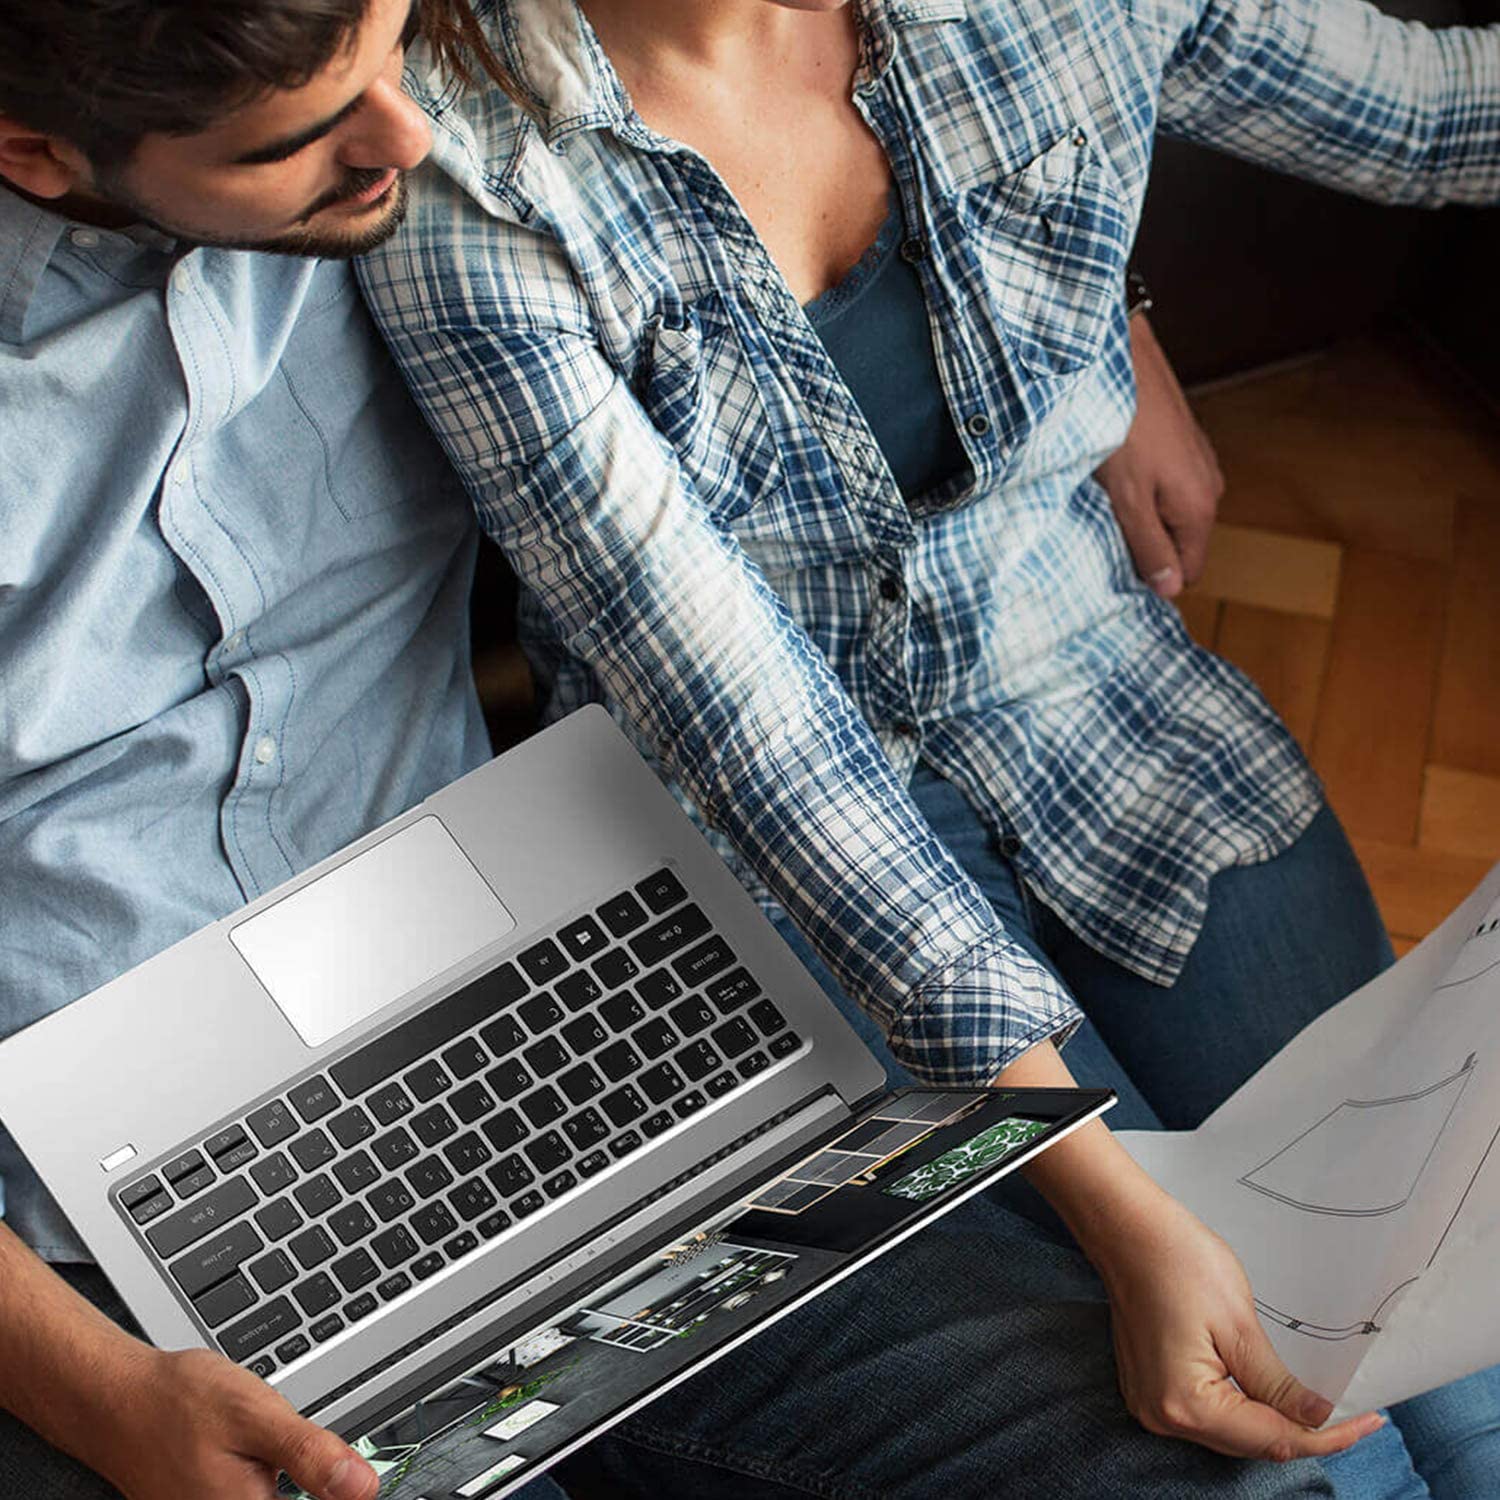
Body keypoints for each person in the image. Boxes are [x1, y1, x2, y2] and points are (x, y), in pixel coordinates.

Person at [0, 3, 1339, 1500]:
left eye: (392, 48)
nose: (411, 132)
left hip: (553, 1009)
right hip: (96, 1204)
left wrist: (1115, 324)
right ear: (39, 153)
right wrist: (94, 1390)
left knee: (1220, 1477)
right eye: (306, 135)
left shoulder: (388, 163)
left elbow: (740, 690)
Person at [355, 0, 1500, 1495]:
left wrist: (1128, 322)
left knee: (1460, 1373)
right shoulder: (455, 154)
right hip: (759, 850)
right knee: (1303, 1445)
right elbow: (748, 728)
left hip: (1111, 705)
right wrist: (1105, 1200)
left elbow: (1434, 112)